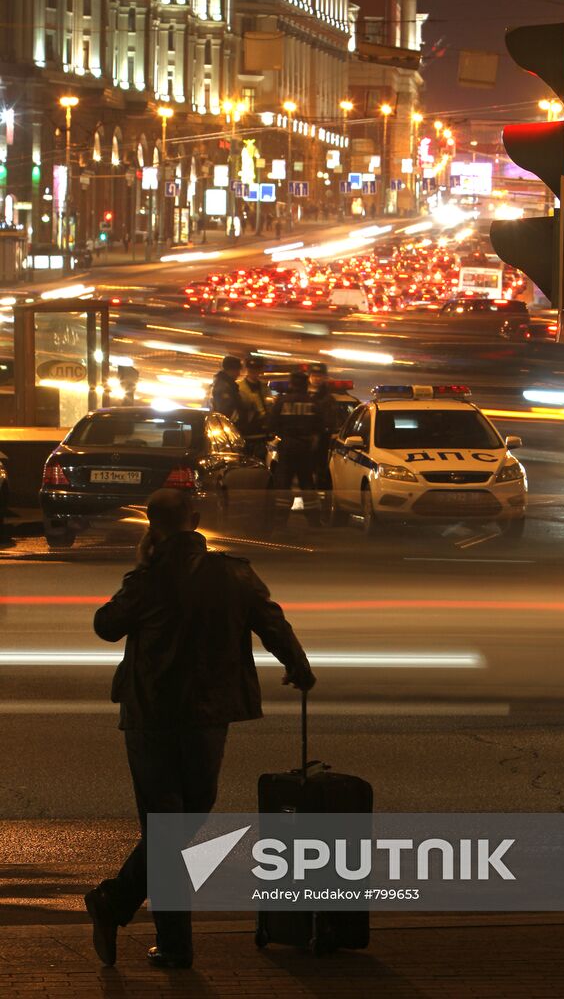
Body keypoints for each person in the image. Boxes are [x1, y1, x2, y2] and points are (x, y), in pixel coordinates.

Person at [83, 489, 315, 970]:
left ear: (153, 523)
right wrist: (298, 665)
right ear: (195, 521)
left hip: (151, 716)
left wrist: (142, 568)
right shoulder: (233, 573)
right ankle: (166, 940)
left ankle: (120, 904)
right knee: (185, 822)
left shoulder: (146, 580)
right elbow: (271, 622)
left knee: (165, 827)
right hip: (209, 715)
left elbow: (106, 625)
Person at [270, 369, 323, 528]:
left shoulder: (282, 402)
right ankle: (313, 520)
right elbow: (320, 425)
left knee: (284, 483)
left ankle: (281, 519)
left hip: (287, 446)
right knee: (307, 483)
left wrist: (284, 436)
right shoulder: (313, 403)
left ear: (291, 384)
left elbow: (272, 423)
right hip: (305, 448)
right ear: (306, 385)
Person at [307, 362, 339, 491]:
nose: (317, 378)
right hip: (303, 439)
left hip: (321, 440)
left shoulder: (328, 398)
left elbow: (331, 420)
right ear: (309, 376)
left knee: (321, 471)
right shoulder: (301, 394)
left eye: (320, 375)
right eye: (314, 375)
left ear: (325, 377)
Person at [238, 354, 270, 460]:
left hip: (261, 433)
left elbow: (268, 406)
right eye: (251, 370)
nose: (254, 373)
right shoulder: (239, 387)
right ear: (247, 369)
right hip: (246, 432)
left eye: (257, 370)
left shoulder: (264, 387)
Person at [209, 355, 243, 424]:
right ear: (230, 370)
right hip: (228, 424)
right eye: (237, 370)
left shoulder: (227, 384)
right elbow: (225, 410)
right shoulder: (223, 387)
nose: (239, 374)